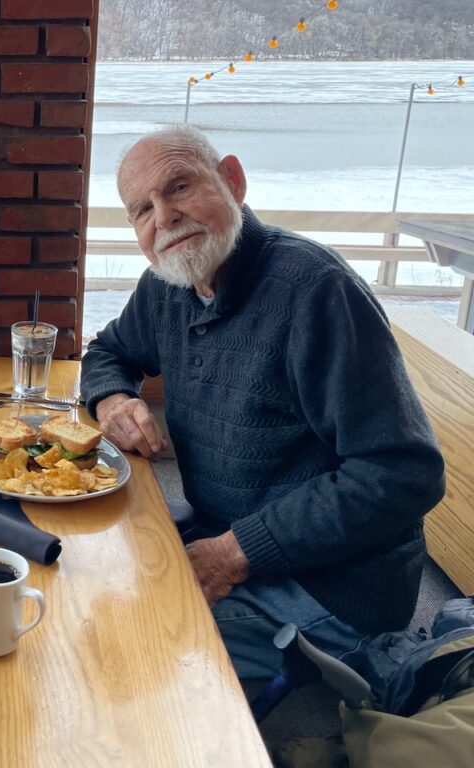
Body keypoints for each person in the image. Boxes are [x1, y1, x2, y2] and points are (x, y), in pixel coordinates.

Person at [80, 126, 445, 680]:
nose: (165, 217)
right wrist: (111, 399)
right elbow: (107, 351)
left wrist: (232, 553)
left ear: (233, 180)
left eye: (178, 188)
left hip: (333, 583)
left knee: (145, 664)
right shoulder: (168, 285)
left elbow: (403, 473)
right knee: (75, 576)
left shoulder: (317, 290)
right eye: (142, 210)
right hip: (220, 529)